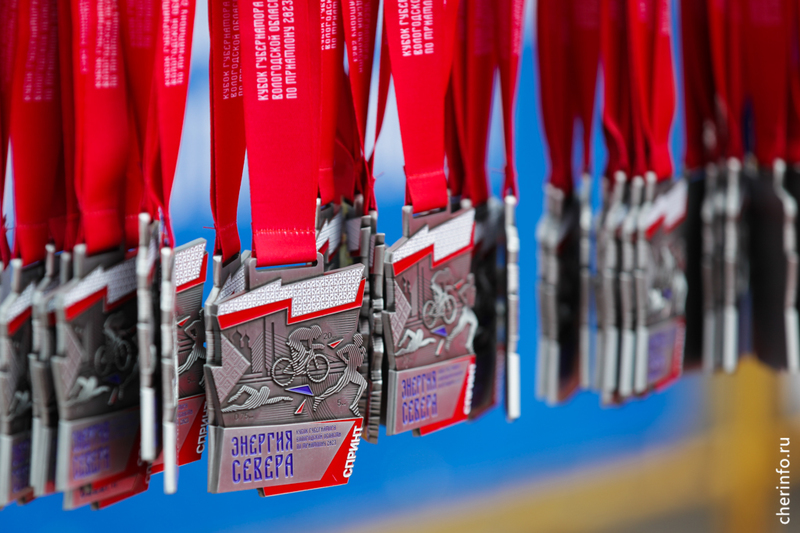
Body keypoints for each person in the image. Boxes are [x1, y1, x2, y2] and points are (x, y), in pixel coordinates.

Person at [313, 334, 367, 416]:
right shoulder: (350, 347)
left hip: (354, 372)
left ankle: (354, 405)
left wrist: (362, 353)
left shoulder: (359, 351)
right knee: (336, 389)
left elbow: (359, 364)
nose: (360, 342)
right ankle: (319, 398)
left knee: (364, 384)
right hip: (349, 372)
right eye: (359, 340)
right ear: (355, 341)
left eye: (361, 340)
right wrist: (345, 360)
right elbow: (339, 352)